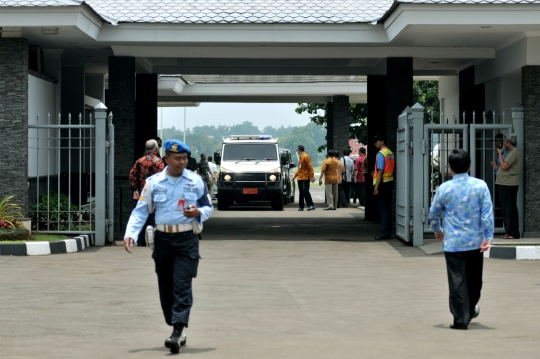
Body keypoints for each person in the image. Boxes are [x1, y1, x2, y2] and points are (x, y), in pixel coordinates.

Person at [123, 139, 214, 353]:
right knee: (166, 289)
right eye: (177, 158)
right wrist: (131, 234)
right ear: (166, 159)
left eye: (185, 158)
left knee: (182, 285)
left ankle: (177, 330)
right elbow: (141, 211)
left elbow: (208, 207)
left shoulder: (195, 181)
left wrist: (198, 213)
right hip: (162, 240)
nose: (182, 162)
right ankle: (177, 326)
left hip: (186, 240)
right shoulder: (153, 183)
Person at [428, 149, 493, 330]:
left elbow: (433, 213)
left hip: (453, 244)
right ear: (469, 166)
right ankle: (467, 312)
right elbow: (487, 214)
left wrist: (437, 230)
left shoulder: (444, 188)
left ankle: (462, 317)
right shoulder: (481, 186)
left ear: (450, 168)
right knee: (474, 281)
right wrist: (488, 236)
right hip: (475, 242)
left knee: (457, 281)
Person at [128, 139, 165, 246]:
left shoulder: (139, 161)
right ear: (156, 149)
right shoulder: (159, 162)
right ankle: (154, 240)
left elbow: (132, 176)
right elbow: (163, 178)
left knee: (141, 216)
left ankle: (141, 241)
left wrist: (135, 189)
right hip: (156, 194)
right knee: (155, 217)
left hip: (142, 194)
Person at [495, 133, 521, 239]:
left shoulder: (514, 152)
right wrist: (497, 167)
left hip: (508, 184)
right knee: (506, 208)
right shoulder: (511, 152)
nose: (504, 143)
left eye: (505, 141)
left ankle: (513, 232)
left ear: (509, 143)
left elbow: (505, 166)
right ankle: (509, 231)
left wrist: (500, 154)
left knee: (510, 209)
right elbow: (504, 166)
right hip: (505, 183)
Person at [373, 135, 395, 240]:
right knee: (387, 208)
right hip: (389, 182)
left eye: (376, 142)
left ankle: (384, 233)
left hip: (382, 184)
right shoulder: (390, 153)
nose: (375, 144)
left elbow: (381, 170)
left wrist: (376, 187)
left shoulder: (381, 154)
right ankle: (388, 232)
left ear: (382, 142)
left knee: (383, 210)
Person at [292, 145, 316, 211]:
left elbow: (310, 167)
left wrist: (312, 176)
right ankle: (301, 206)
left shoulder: (306, 157)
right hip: (300, 178)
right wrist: (294, 176)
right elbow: (299, 169)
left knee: (305, 191)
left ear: (299, 150)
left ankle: (311, 205)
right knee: (301, 192)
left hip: (305, 177)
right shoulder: (300, 158)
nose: (297, 151)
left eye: (297, 150)